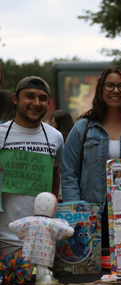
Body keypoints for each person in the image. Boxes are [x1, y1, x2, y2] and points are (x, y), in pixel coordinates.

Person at [61, 66, 121, 248]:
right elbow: (69, 174)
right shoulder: (83, 128)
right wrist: (76, 215)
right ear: (100, 90)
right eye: (110, 85)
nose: (115, 90)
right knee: (91, 273)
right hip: (91, 216)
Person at [0, 76, 64, 256]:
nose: (36, 103)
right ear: (15, 99)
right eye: (30, 96)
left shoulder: (56, 137)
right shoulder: (1, 134)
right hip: (3, 237)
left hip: (40, 237)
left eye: (42, 98)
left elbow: (55, 172)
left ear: (48, 102)